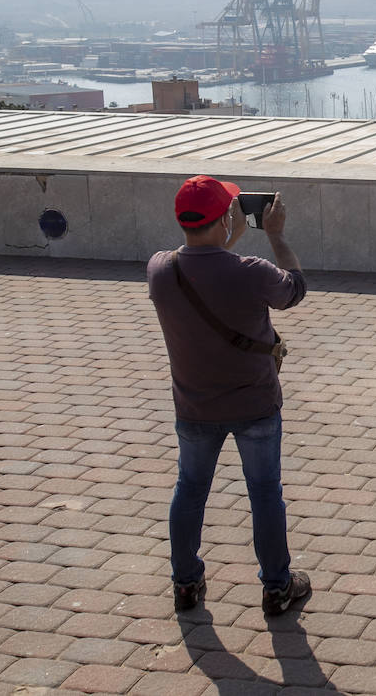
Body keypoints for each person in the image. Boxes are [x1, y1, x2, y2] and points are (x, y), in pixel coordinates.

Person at [146, 176, 311, 615]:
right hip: (254, 404)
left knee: (190, 489)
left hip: (194, 406)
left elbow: (204, 258)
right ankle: (277, 587)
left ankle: (186, 583)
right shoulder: (251, 274)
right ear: (224, 219)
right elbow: (294, 288)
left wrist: (225, 229)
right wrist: (274, 234)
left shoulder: (160, 269)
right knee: (264, 493)